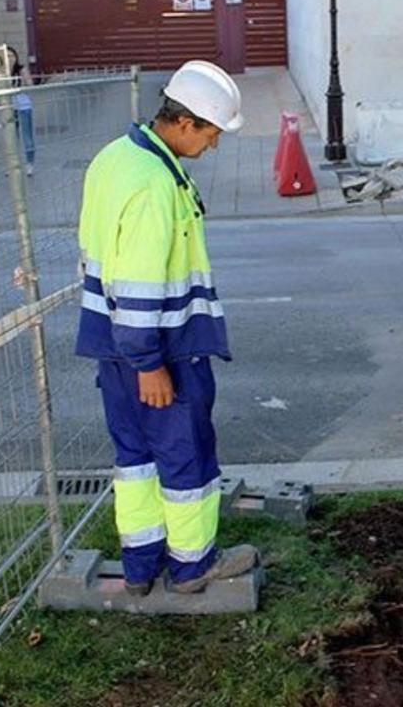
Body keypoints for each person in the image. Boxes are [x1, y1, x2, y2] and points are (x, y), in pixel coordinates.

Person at [76, 60, 256, 596]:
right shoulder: (155, 186)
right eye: (212, 134)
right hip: (159, 351)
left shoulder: (116, 159)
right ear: (185, 123)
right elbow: (138, 284)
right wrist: (150, 365)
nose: (214, 146)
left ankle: (140, 567)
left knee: (135, 460)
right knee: (187, 458)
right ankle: (192, 565)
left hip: (115, 348)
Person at [6, 46, 36, 176]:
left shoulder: (21, 69)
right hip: (8, 108)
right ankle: (12, 166)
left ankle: (30, 164)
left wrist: (24, 83)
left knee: (27, 137)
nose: (10, 59)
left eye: (12, 56)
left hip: (23, 106)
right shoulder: (2, 72)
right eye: (6, 56)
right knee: (11, 138)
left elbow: (31, 85)